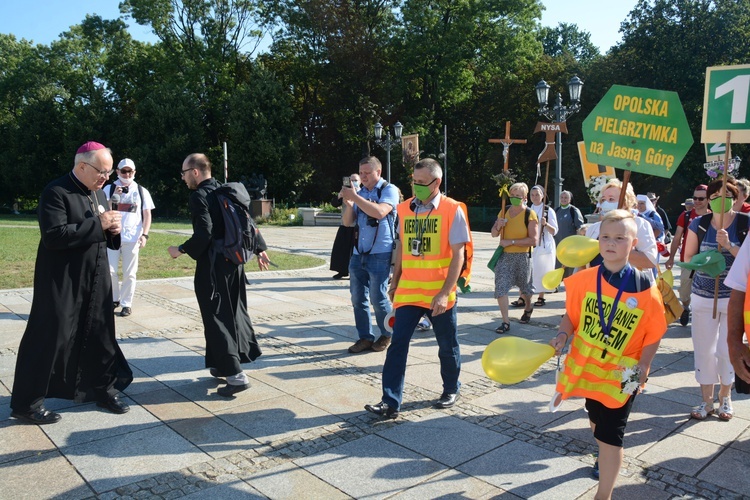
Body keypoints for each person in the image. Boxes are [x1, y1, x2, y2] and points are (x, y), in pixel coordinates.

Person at [10, 141, 133, 425]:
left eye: (109, 172)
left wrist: (112, 231)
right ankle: (27, 404)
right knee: (49, 339)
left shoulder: (98, 193)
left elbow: (100, 233)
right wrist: (99, 225)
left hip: (96, 276)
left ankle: (103, 389)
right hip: (63, 280)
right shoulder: (56, 192)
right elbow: (54, 236)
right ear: (82, 166)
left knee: (101, 334)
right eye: (102, 172)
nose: (106, 178)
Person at [549, 209, 666, 499]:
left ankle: (604, 494)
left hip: (625, 373)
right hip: (589, 367)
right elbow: (571, 316)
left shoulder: (645, 288)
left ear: (633, 243)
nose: (611, 243)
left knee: (612, 435)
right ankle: (602, 451)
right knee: (596, 418)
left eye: (619, 238)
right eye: (605, 237)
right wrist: (563, 334)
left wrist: (645, 365)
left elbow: (654, 331)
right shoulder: (585, 279)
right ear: (597, 241)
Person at [364, 158, 470, 419]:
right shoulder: (403, 209)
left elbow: (459, 255)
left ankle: (451, 388)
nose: (416, 187)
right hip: (410, 291)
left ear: (437, 182)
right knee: (397, 344)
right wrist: (396, 279)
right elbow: (401, 246)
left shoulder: (452, 209)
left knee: (447, 344)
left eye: (422, 183)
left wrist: (445, 292)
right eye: (414, 181)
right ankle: (390, 402)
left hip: (439, 293)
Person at [168, 153, 271, 397]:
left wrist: (180, 250)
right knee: (233, 312)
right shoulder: (226, 190)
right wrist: (260, 248)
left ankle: (236, 376)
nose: (182, 178)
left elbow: (204, 234)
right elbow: (249, 222)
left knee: (215, 317)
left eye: (183, 173)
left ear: (195, 171)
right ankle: (220, 364)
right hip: (234, 265)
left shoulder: (199, 196)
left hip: (213, 266)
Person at [682, 178, 746, 421]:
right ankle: (706, 401)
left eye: (727, 195)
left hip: (733, 299)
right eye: (716, 196)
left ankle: (725, 398)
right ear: (709, 200)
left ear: (736, 198)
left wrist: (728, 246)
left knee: (725, 350)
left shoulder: (745, 223)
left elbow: (748, 260)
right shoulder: (699, 224)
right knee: (704, 351)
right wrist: (706, 262)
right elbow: (689, 257)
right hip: (703, 296)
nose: (721, 200)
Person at [341, 156, 400, 354]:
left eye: (367, 173)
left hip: (380, 253)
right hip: (359, 253)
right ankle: (365, 337)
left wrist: (356, 197)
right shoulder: (361, 192)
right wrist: (349, 204)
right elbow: (348, 222)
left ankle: (387, 333)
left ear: (378, 172)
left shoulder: (388, 190)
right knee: (358, 298)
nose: (363, 177)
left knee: (378, 297)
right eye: (361, 173)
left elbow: (381, 212)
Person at [106, 158, 156, 317]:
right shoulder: (108, 189)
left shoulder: (141, 191)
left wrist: (145, 234)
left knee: (130, 272)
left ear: (134, 172)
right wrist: (114, 196)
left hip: (132, 237)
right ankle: (114, 298)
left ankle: (127, 304)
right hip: (112, 236)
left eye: (130, 171)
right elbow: (102, 211)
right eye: (123, 171)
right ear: (117, 172)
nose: (127, 174)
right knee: (110, 271)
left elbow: (147, 214)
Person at [491, 182, 538, 333]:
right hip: (505, 257)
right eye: (512, 195)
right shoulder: (504, 211)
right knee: (501, 288)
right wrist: (498, 225)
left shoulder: (529, 214)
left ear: (524, 197)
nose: (514, 198)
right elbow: (493, 233)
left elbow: (534, 240)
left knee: (526, 289)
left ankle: (528, 307)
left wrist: (511, 242)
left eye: (518, 196)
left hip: (523, 257)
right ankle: (505, 322)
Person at [585, 179, 658, 271]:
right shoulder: (593, 229)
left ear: (625, 202)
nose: (606, 203)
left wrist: (619, 250)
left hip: (630, 284)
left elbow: (650, 261)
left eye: (611, 199)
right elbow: (584, 265)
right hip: (597, 284)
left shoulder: (639, 224)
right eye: (603, 200)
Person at [665, 185, 709, 326]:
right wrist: (671, 258)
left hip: (706, 262)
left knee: (704, 293)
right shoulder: (686, 216)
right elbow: (677, 237)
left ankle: (700, 317)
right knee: (684, 292)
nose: (697, 201)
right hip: (688, 261)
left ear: (708, 199)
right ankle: (685, 307)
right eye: (695, 198)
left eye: (701, 198)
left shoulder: (714, 216)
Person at [528, 185, 558, 306]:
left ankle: (541, 296)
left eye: (537, 194)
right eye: (532, 195)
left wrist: (545, 225)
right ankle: (524, 296)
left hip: (545, 244)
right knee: (530, 271)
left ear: (542, 195)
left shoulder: (548, 210)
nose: (535, 197)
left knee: (544, 271)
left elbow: (555, 230)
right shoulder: (528, 209)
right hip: (532, 244)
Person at [329, 173, 360, 280]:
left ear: (360, 181)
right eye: (351, 180)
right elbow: (334, 203)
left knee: (354, 251)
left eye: (355, 180)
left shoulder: (363, 192)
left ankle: (354, 272)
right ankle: (342, 270)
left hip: (357, 226)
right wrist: (340, 195)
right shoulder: (345, 192)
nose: (353, 182)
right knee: (341, 249)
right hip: (345, 225)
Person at [554, 190, 584, 279]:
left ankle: (569, 284)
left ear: (570, 199)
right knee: (557, 264)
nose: (563, 199)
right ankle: (556, 284)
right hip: (557, 243)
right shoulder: (556, 210)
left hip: (570, 244)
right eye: (562, 197)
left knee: (570, 265)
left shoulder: (573, 210)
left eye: (566, 197)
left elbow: (580, 227)